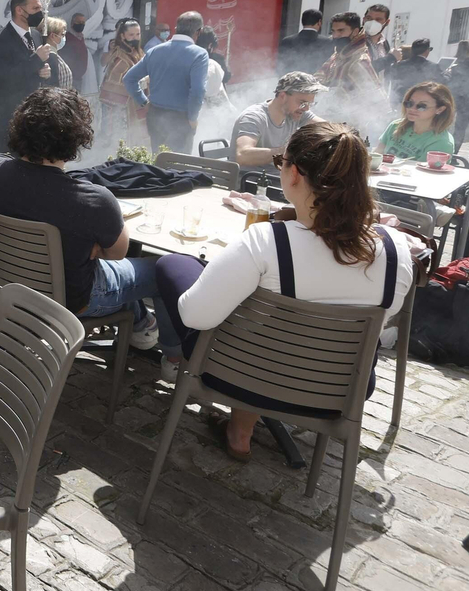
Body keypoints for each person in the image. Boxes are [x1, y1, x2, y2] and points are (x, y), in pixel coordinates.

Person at [154, 121, 413, 459]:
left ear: (293, 174)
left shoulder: (266, 240)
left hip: (244, 378)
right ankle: (241, 430)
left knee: (174, 266)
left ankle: (233, 423)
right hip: (339, 390)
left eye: (281, 162)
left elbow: (194, 315)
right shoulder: (397, 250)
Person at [0, 88, 179, 371]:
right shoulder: (94, 200)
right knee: (163, 270)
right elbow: (118, 253)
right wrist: (91, 245)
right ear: (77, 138)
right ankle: (173, 357)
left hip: (3, 283)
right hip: (70, 301)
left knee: (103, 267)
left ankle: (141, 323)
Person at [124, 10, 209, 155]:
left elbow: (129, 79)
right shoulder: (199, 54)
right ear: (199, 32)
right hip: (181, 118)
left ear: (176, 29)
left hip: (155, 115)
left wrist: (143, 102)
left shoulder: (155, 51)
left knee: (159, 161)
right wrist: (192, 118)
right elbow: (197, 91)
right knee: (179, 167)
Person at [0, 0, 50, 155]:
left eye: (40, 8)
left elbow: (33, 69)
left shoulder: (35, 35)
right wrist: (36, 60)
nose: (40, 13)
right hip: (8, 114)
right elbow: (6, 77)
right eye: (35, 8)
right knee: (9, 162)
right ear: (19, 10)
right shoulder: (0, 40)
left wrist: (44, 71)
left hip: (33, 113)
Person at [231, 72, 324, 167]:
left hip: (279, 177)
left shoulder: (296, 112)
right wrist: (289, 150)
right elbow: (243, 155)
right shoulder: (253, 117)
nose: (306, 108)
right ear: (283, 96)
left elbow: (327, 127)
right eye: (302, 103)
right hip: (251, 179)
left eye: (310, 104)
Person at [317, 11, 385, 131]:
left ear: (355, 32)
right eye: (333, 31)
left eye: (341, 31)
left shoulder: (359, 61)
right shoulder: (339, 54)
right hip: (328, 122)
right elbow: (320, 76)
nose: (336, 35)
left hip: (348, 127)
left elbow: (376, 101)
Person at [379, 81, 456, 162]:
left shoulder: (441, 142)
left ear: (440, 109)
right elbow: (377, 155)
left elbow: (425, 173)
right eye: (410, 103)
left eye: (422, 106)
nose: (412, 108)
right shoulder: (395, 125)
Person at [99, 18, 145, 150]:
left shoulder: (137, 51)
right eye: (131, 35)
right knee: (118, 141)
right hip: (118, 108)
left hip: (133, 104)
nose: (135, 38)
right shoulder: (119, 56)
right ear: (122, 36)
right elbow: (113, 85)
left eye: (138, 34)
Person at [387, 38, 441, 106]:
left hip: (400, 102)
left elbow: (391, 82)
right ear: (427, 51)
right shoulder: (433, 67)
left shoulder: (398, 65)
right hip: (421, 105)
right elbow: (440, 83)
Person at [278, 8, 330, 77]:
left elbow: (280, 65)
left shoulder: (287, 41)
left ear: (302, 21)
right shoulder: (326, 42)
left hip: (291, 82)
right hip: (315, 83)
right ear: (319, 22)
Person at [39, 17, 75, 89]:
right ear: (53, 36)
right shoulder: (50, 57)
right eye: (62, 34)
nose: (63, 38)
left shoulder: (50, 54)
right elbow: (53, 86)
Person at [62, 12, 91, 89]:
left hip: (78, 79)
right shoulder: (67, 38)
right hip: (70, 79)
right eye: (79, 22)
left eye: (83, 22)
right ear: (72, 23)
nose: (81, 24)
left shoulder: (81, 37)